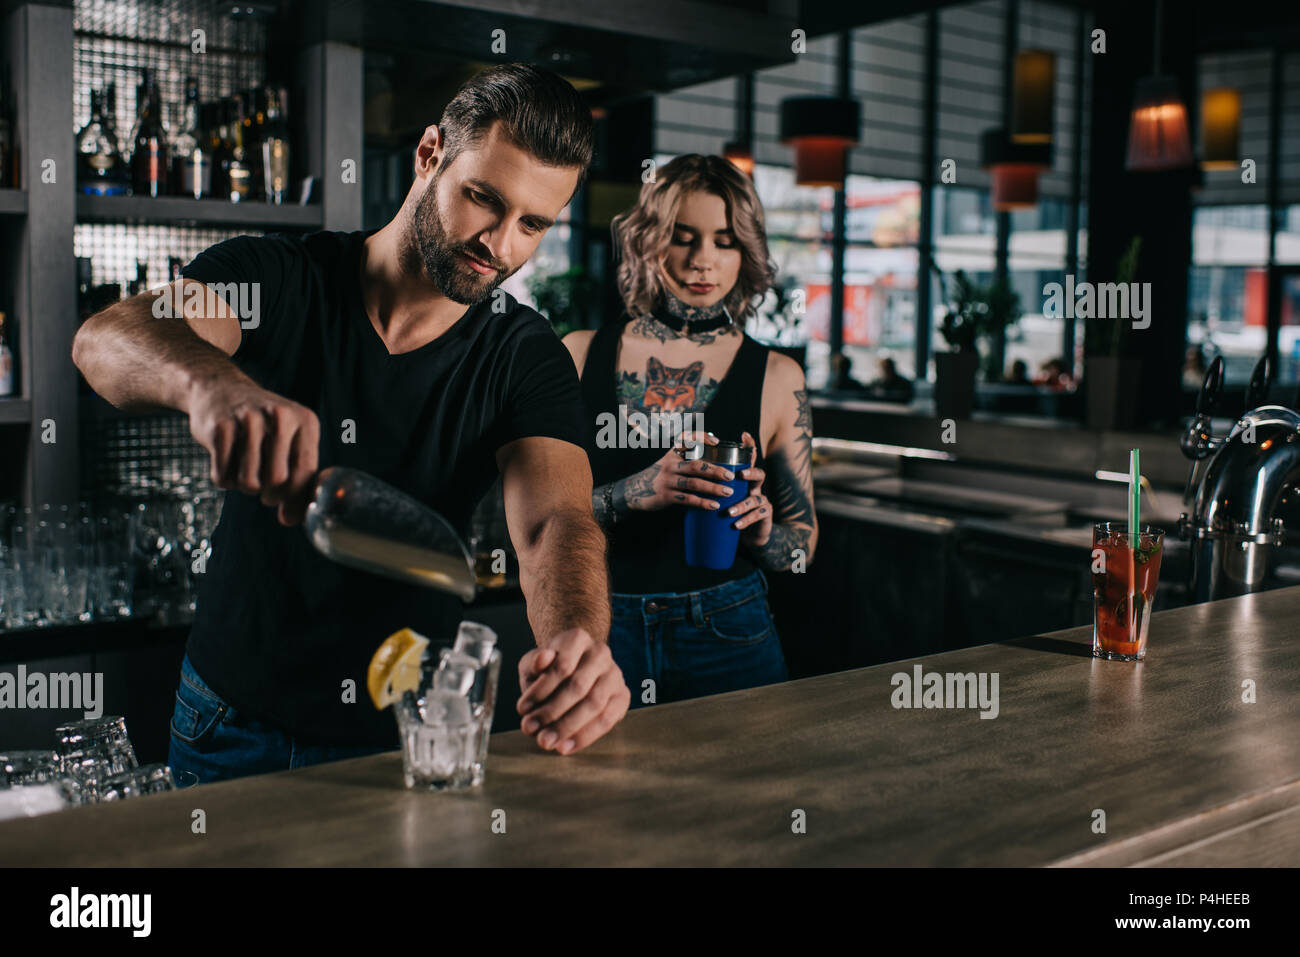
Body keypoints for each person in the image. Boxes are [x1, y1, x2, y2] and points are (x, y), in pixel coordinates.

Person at [72, 64, 629, 783]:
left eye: (533, 224)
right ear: (429, 155)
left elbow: (556, 522)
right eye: (483, 198)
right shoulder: (279, 277)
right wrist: (213, 386)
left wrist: (578, 640)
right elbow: (107, 339)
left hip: (405, 735)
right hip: (228, 722)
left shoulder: (524, 355)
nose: (501, 243)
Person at [562, 154, 817, 708]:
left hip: (728, 627)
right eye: (683, 237)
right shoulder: (579, 355)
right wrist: (639, 491)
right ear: (650, 242)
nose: (704, 260)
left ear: (745, 251)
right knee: (590, 793)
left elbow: (802, 546)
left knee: (748, 794)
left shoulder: (778, 377)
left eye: (725, 241)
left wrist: (762, 533)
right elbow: (541, 517)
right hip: (601, 623)